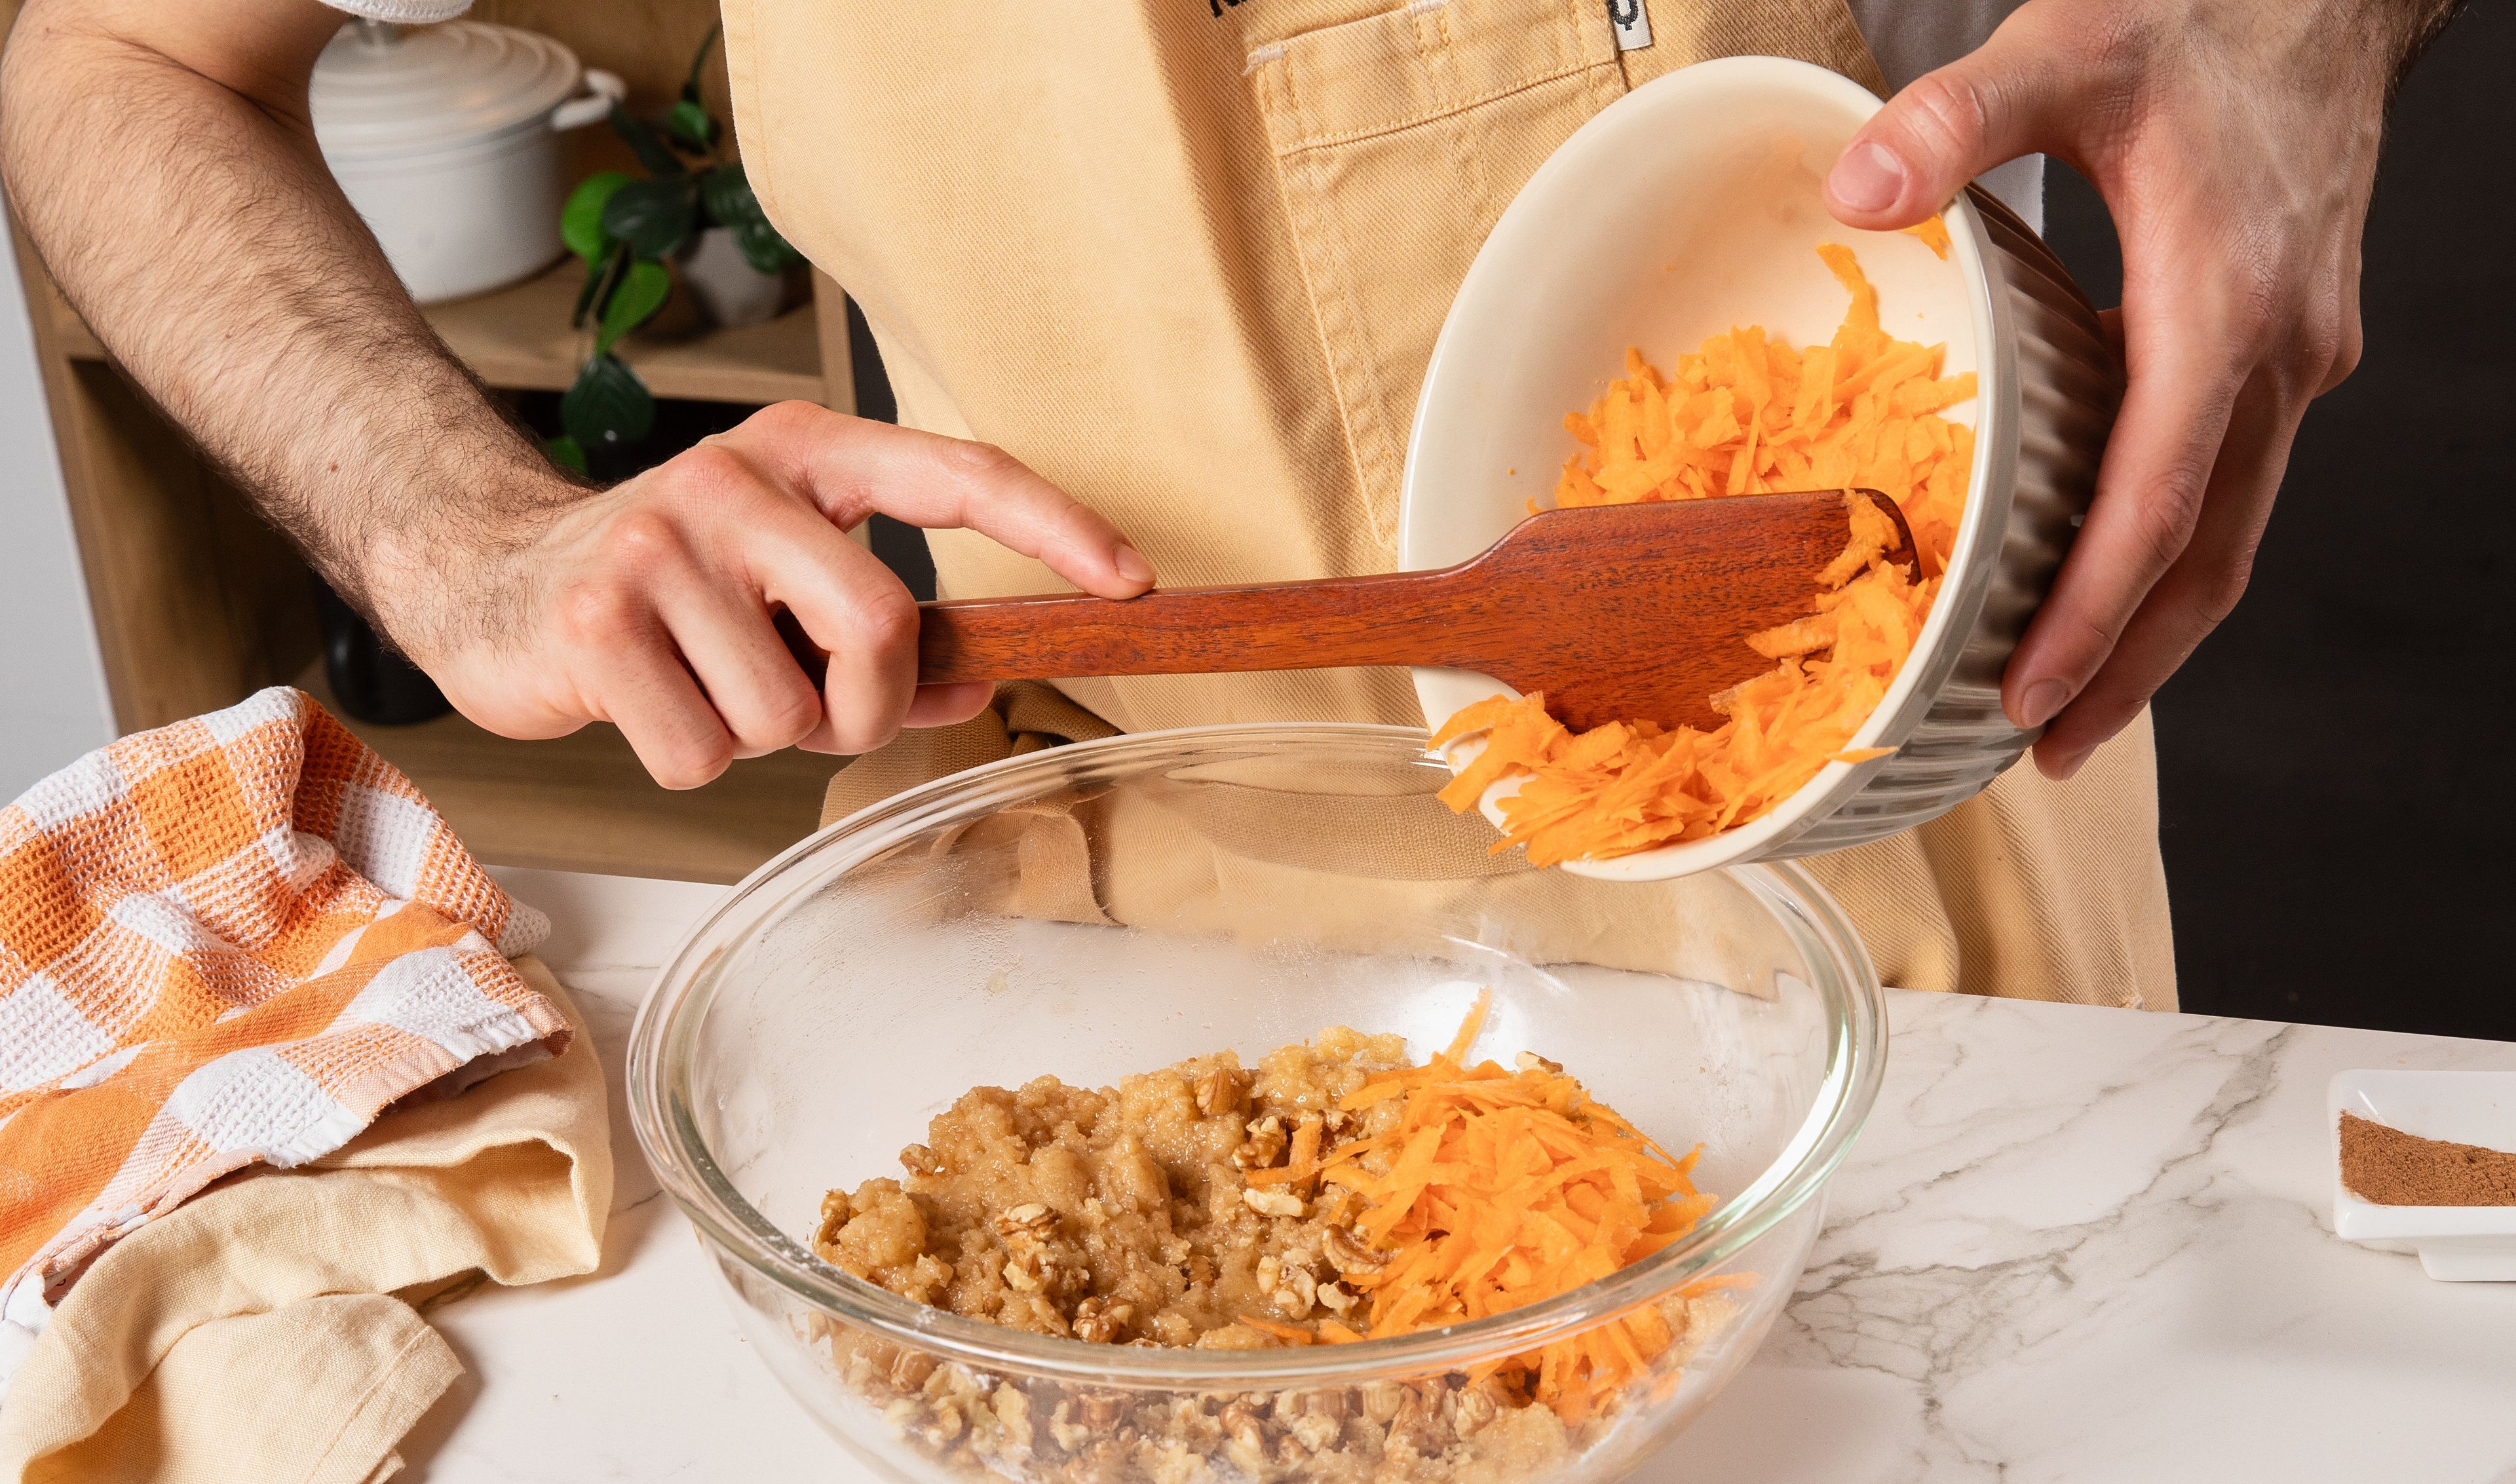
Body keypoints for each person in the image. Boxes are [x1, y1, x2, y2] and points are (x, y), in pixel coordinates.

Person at [0, 0, 2451, 1006]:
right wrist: (459, 530)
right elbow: (109, 56)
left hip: (1905, 887)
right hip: (1104, 983)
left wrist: (2293, 33)